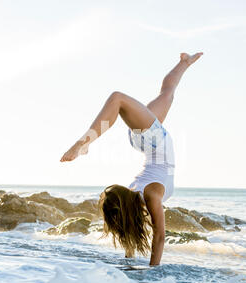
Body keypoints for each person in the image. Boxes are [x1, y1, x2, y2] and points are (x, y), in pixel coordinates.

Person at [60, 52, 203, 265]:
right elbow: (158, 236)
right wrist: (140, 270)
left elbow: (160, 237)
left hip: (154, 141)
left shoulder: (148, 195)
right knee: (167, 93)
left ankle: (84, 143)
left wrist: (152, 275)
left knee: (118, 98)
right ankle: (184, 63)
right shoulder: (148, 196)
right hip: (147, 142)